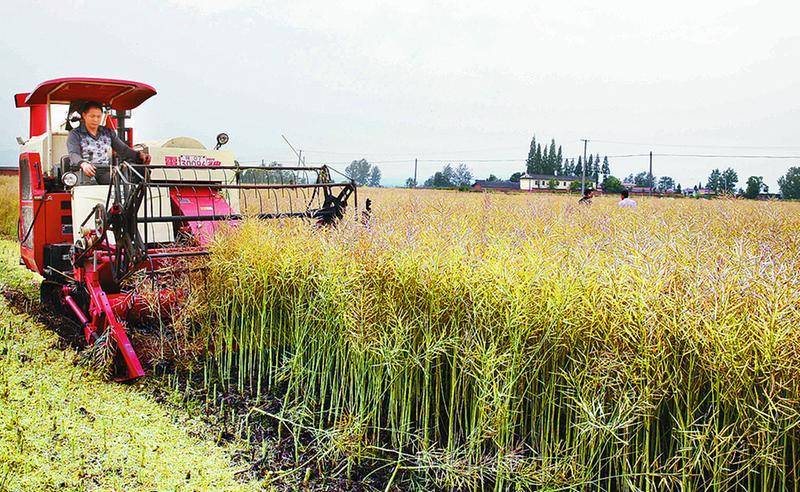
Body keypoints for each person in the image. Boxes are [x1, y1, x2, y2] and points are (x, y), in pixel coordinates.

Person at [67, 101, 150, 185]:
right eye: (92, 116)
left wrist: (138, 155)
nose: (95, 120)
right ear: (84, 115)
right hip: (84, 171)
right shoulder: (75, 134)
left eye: (98, 116)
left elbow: (123, 150)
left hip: (104, 170)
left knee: (119, 183)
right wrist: (83, 164)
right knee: (88, 188)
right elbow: (74, 153)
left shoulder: (108, 132)